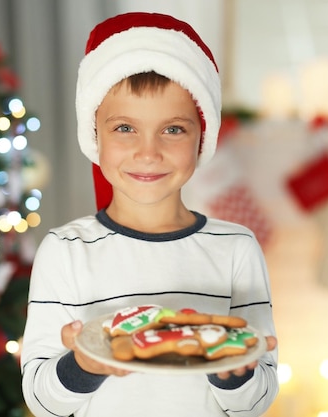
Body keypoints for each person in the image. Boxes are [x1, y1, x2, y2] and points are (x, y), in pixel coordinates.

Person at [20, 12, 278, 417]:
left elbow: (257, 401)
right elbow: (41, 399)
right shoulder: (65, 251)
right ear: (94, 135)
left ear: (202, 138)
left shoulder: (236, 248)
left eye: (173, 129)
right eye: (125, 128)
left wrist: (232, 370)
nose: (148, 151)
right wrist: (83, 366)